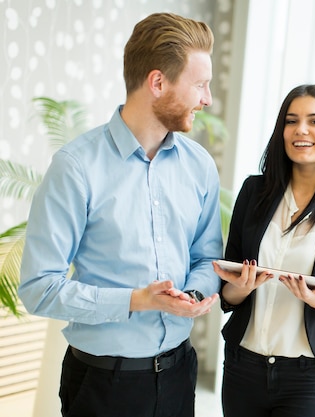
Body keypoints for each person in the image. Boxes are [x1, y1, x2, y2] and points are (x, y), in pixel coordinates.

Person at [18, 12, 222, 417]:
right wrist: (136, 301)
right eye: (199, 84)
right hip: (104, 385)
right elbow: (38, 287)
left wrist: (193, 295)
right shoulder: (76, 167)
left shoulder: (199, 166)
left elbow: (205, 256)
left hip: (180, 373)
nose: (207, 99)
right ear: (158, 82)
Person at [213, 84, 315, 417]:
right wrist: (239, 288)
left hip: (307, 380)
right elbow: (227, 294)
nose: (301, 129)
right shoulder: (253, 191)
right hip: (242, 368)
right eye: (291, 120)